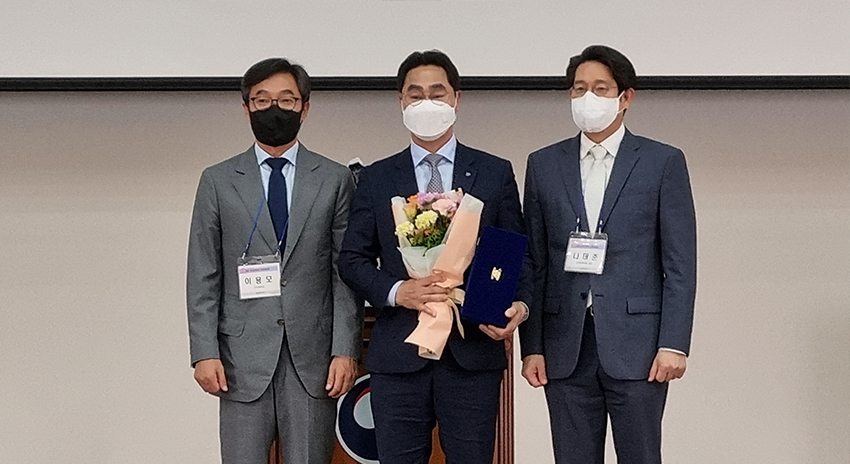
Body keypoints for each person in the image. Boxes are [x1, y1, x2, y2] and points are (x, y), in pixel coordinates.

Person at [338, 50, 529, 464]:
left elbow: (517, 255)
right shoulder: (377, 177)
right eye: (415, 94)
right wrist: (397, 291)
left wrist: (519, 306)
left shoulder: (494, 172)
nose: (426, 102)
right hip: (399, 355)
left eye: (437, 93)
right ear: (401, 102)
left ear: (457, 98)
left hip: (472, 352)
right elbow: (352, 260)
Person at [519, 45, 697, 464]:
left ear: (625, 97)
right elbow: (536, 262)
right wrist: (532, 347)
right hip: (565, 346)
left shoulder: (662, 161)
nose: (588, 98)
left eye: (600, 89)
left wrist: (674, 343)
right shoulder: (543, 164)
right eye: (579, 88)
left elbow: (680, 264)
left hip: (639, 347)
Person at [186, 58, 362, 464]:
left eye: (286, 100)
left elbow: (343, 274)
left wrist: (345, 349)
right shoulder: (218, 180)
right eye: (262, 100)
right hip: (239, 359)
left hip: (315, 360)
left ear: (305, 107)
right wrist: (204, 351)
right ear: (246, 107)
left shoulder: (335, 178)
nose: (274, 109)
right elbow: (203, 273)